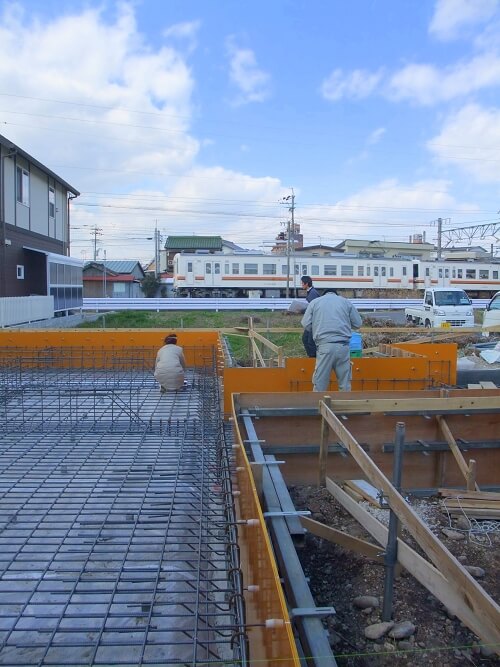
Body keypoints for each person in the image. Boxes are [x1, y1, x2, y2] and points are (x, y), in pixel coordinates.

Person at [301, 289, 362, 392]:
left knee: (320, 384)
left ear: (323, 294)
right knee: (345, 385)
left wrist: (317, 327)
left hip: (324, 346)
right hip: (343, 347)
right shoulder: (345, 302)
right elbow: (358, 323)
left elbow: (305, 323)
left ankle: (319, 405)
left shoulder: (315, 302)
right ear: (336, 294)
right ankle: (345, 406)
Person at [300, 275, 321, 357]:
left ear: (306, 284)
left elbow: (312, 308)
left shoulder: (312, 293)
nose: (301, 285)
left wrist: (302, 310)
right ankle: (312, 358)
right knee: (306, 339)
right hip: (312, 321)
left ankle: (313, 359)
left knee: (310, 341)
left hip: (314, 321)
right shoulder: (312, 292)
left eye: (302, 283)